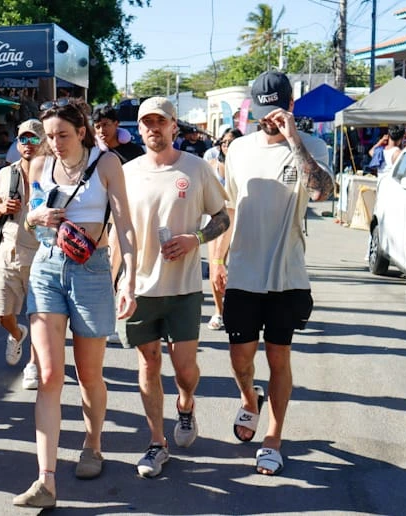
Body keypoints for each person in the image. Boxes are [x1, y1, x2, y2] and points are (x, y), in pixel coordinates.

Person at [12, 98, 137, 508]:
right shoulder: (38, 165)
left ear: (81, 131)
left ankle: (92, 444)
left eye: (62, 135)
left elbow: (125, 226)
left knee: (88, 376)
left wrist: (129, 279)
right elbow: (29, 218)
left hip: (92, 270)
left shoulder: (107, 163)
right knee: (49, 375)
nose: (55, 143)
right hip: (47, 268)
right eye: (49, 136)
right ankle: (45, 480)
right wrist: (35, 217)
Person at [210, 71, 333, 476]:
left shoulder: (312, 145)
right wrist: (217, 260)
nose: (269, 120)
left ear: (290, 106)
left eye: (277, 111)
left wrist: (294, 138)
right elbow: (230, 208)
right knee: (239, 359)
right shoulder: (238, 149)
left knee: (279, 356)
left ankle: (273, 437)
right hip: (243, 272)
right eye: (263, 113)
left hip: (286, 275)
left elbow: (322, 191)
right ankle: (250, 398)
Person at [111, 97, 229, 478]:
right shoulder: (126, 173)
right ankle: (156, 442)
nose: (153, 128)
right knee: (148, 363)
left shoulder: (196, 168)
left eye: (160, 121)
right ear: (139, 128)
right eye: (146, 122)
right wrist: (116, 282)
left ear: (174, 125)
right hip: (140, 288)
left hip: (183, 289)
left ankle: (186, 403)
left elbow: (222, 217)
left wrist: (196, 238)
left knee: (184, 369)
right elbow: (117, 231)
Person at [0, 119, 43, 389]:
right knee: (2, 315)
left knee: (39, 316)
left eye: (34, 138)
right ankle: (17, 334)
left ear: (44, 141)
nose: (28, 144)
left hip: (42, 255)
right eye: (23, 139)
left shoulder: (54, 173)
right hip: (9, 253)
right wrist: (1, 208)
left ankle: (33, 365)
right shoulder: (6, 174)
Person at [206, 128, 243, 331]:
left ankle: (235, 309)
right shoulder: (211, 164)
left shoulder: (245, 166)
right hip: (216, 220)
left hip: (240, 220)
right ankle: (218, 311)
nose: (227, 146)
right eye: (224, 142)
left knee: (236, 267)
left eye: (232, 142)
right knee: (215, 264)